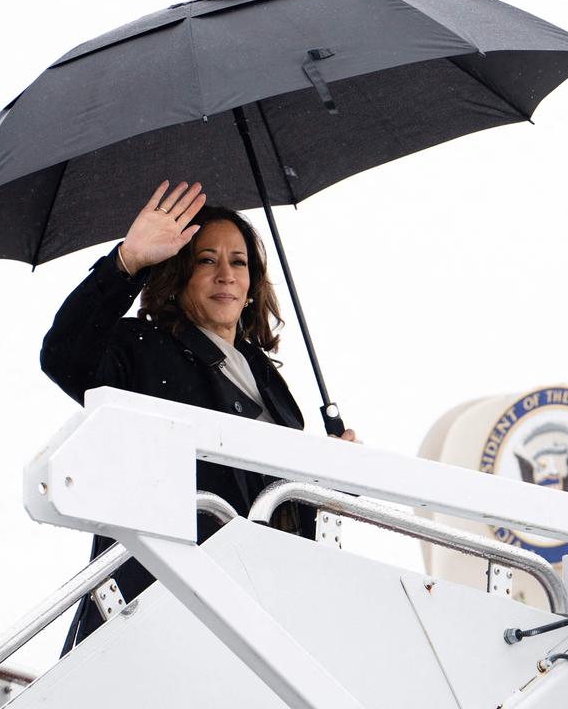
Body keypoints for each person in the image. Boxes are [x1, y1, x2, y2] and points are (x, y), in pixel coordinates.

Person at [41, 180, 356, 649]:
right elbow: (63, 356)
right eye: (206, 260)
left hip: (258, 610)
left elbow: (280, 510)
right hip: (159, 606)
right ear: (178, 273)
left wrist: (329, 476)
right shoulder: (141, 351)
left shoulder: (271, 383)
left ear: (252, 284)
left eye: (239, 261)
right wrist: (127, 261)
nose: (225, 274)